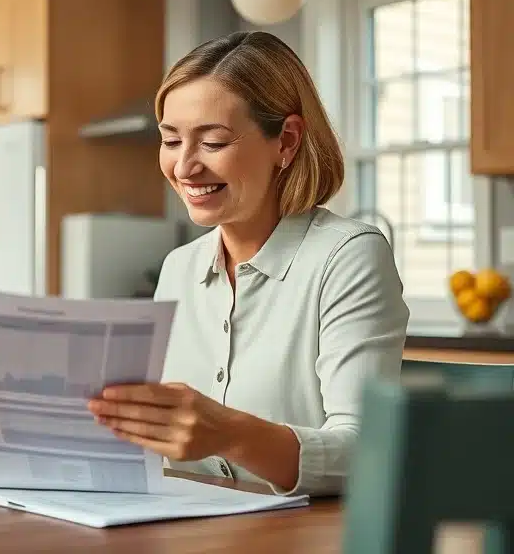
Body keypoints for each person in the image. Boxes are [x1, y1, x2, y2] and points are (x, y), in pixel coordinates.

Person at [87, 31, 410, 497]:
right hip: (183, 530)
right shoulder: (178, 268)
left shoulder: (348, 256)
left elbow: (369, 452)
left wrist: (229, 432)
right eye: (171, 140)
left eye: (213, 142)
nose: (183, 167)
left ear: (287, 141)